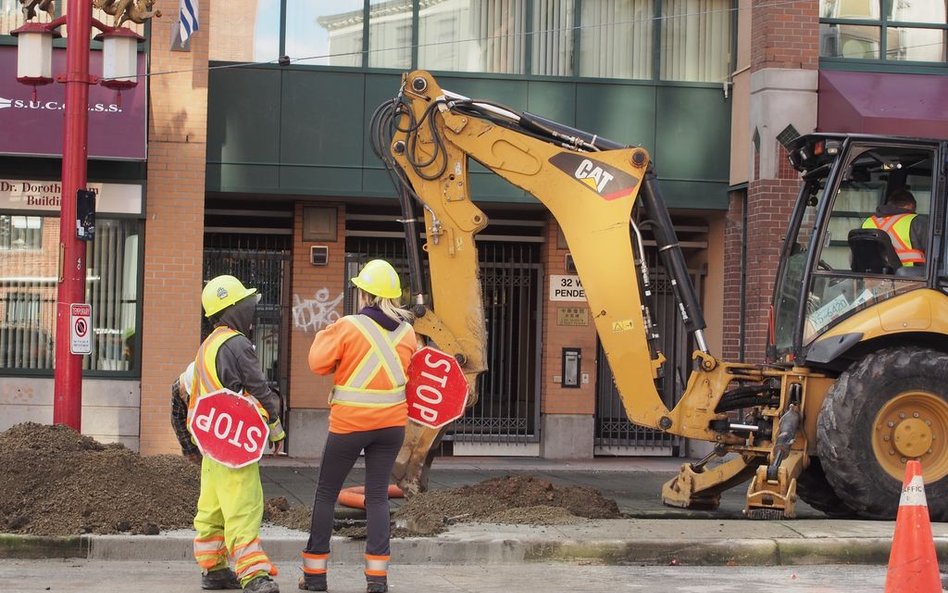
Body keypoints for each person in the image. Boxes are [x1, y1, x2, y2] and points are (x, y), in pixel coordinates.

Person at [299, 260, 416, 593]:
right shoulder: (408, 334)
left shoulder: (349, 326)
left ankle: (315, 576)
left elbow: (317, 363)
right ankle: (377, 579)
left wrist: (328, 332)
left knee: (326, 494)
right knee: (378, 498)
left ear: (364, 293)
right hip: (392, 425)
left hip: (350, 424)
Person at [190, 275, 287, 593]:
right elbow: (259, 387)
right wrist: (275, 427)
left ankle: (214, 569)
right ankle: (253, 575)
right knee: (243, 506)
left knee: (212, 508)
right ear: (232, 308)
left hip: (212, 444)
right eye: (247, 304)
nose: (252, 309)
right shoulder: (237, 343)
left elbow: (195, 396)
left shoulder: (206, 347)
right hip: (236, 443)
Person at [861, 188, 928, 267]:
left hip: (870, 276)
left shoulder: (868, 222)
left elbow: (854, 256)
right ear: (911, 205)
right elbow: (935, 256)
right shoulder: (917, 222)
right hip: (910, 277)